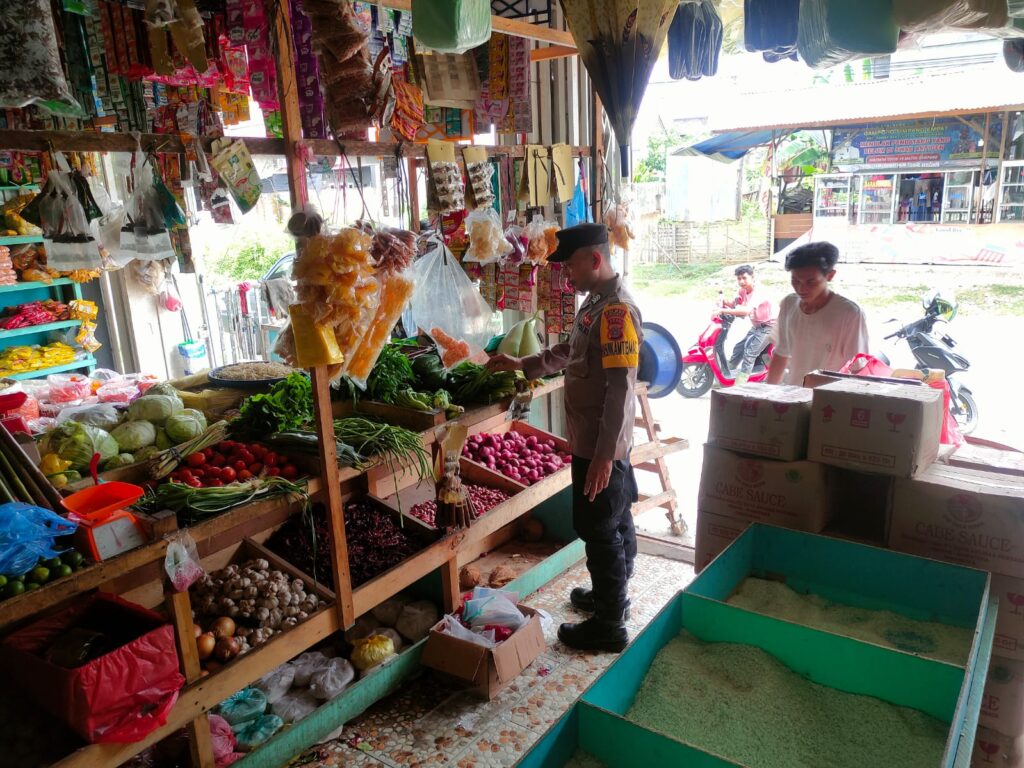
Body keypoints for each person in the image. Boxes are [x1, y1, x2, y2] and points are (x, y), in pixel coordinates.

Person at [486, 223, 640, 653]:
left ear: (595, 259)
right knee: (614, 518)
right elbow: (571, 352)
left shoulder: (616, 312)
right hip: (592, 438)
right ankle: (614, 596)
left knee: (600, 528)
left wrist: (605, 456)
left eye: (570, 265)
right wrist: (524, 363)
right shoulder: (595, 302)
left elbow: (620, 388)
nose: (567, 275)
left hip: (601, 443)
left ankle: (609, 624)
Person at [766, 241, 869, 386]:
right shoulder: (788, 304)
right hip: (793, 392)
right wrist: (767, 393)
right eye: (795, 280)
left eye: (811, 282)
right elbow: (781, 353)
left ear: (830, 275)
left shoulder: (849, 314)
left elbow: (857, 368)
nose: (801, 289)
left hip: (828, 396)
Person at [717, 264, 776, 384]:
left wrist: (723, 311)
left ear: (752, 277)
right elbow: (734, 304)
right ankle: (726, 376)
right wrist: (724, 302)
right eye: (739, 279)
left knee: (749, 354)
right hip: (757, 327)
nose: (741, 281)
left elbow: (746, 311)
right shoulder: (743, 291)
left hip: (769, 327)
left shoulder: (759, 291)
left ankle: (740, 385)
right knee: (738, 348)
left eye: (744, 278)